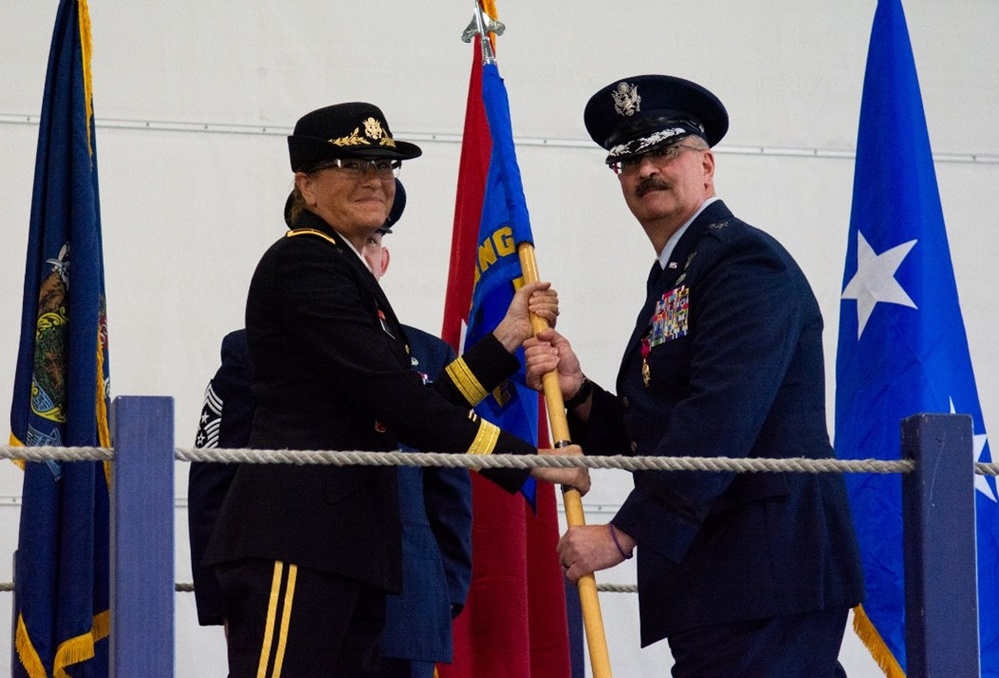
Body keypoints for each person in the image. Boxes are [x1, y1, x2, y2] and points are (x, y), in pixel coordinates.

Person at [204, 101, 588, 678]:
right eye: (350, 164)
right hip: (296, 540)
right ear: (305, 185)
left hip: (353, 549)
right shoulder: (303, 263)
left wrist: (504, 339)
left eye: (385, 164)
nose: (374, 178)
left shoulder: (346, 272)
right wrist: (525, 461)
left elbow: (416, 400)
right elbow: (397, 401)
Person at [524, 75, 864, 676]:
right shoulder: (679, 272)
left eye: (664, 151)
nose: (647, 169)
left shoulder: (742, 261)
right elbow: (658, 431)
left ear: (706, 166)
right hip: (720, 577)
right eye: (629, 159)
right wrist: (578, 393)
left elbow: (722, 415)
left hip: (765, 570)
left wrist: (622, 535)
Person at [189, 181, 474, 678]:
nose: (358, 255)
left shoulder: (429, 356)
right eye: (343, 243)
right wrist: (223, 601)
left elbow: (449, 491)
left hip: (408, 597)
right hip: (305, 573)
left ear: (384, 261)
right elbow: (218, 478)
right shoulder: (253, 350)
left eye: (371, 243)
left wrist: (446, 590)